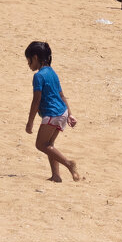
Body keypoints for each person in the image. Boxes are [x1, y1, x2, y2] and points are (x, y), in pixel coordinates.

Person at [23, 41, 80, 183]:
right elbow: (61, 95)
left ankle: (69, 164)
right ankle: (56, 176)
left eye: (28, 60)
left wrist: (30, 122)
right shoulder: (52, 73)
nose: (28, 64)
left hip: (52, 114)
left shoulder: (39, 76)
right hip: (62, 112)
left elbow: (36, 101)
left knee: (40, 145)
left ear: (35, 58)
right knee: (49, 145)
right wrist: (70, 114)